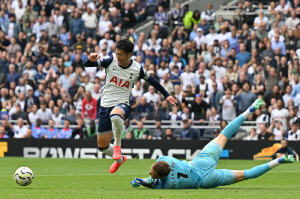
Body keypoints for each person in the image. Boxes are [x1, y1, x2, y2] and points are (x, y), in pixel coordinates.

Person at [131, 99, 295, 189]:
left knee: (245, 174)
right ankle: (250, 109)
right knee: (224, 135)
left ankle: (278, 161)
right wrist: (145, 179)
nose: (149, 170)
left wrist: (142, 181)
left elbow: (152, 182)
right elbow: (154, 177)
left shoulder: (169, 185)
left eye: (151, 170)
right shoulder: (167, 159)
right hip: (202, 161)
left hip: (206, 180)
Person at [84, 39, 177, 173]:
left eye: (120, 54)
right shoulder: (110, 61)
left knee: (115, 115)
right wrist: (89, 59)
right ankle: (120, 159)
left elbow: (153, 81)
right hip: (105, 105)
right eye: (116, 53)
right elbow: (87, 64)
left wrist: (166, 94)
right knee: (102, 146)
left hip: (123, 104)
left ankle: (117, 147)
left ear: (129, 54)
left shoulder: (137, 68)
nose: (117, 56)